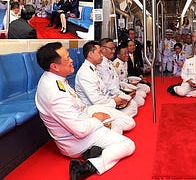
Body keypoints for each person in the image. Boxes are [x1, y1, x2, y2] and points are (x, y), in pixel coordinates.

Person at [35, 42, 135, 180]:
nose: (71, 60)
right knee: (128, 145)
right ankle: (86, 166)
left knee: (125, 121)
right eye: (67, 58)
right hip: (75, 141)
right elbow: (80, 130)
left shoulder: (55, 79)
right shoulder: (54, 94)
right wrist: (97, 119)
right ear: (54, 66)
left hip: (84, 118)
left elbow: (78, 106)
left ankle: (100, 146)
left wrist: (93, 115)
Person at [76, 40, 138, 117]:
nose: (102, 55)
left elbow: (103, 91)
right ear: (91, 54)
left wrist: (117, 98)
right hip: (95, 109)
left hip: (105, 101)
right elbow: (96, 100)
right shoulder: (85, 73)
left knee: (132, 105)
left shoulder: (93, 68)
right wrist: (115, 101)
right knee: (130, 118)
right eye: (99, 53)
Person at [96, 38, 142, 109]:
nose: (113, 51)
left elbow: (117, 81)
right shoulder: (101, 64)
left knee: (139, 100)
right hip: (111, 96)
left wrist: (128, 90)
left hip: (118, 90)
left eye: (114, 48)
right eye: (111, 49)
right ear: (103, 49)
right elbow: (109, 86)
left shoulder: (109, 62)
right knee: (134, 105)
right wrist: (125, 95)